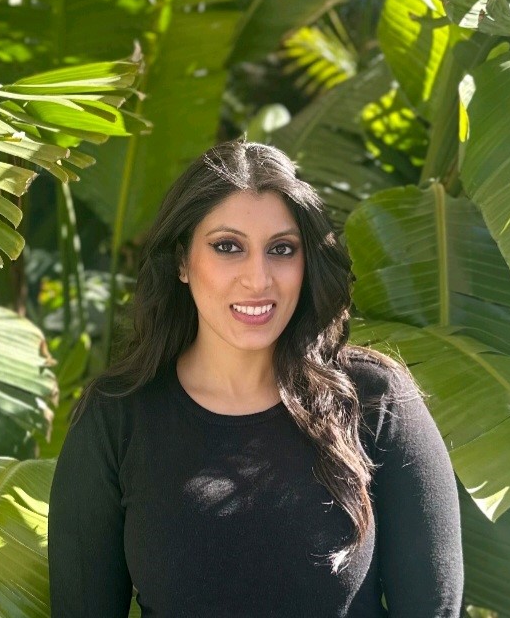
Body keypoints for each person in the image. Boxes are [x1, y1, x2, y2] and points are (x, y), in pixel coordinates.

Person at [48, 141, 463, 617]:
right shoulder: (117, 417)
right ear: (182, 261)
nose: (258, 278)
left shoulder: (375, 402)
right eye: (228, 247)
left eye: (281, 250)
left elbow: (433, 609)